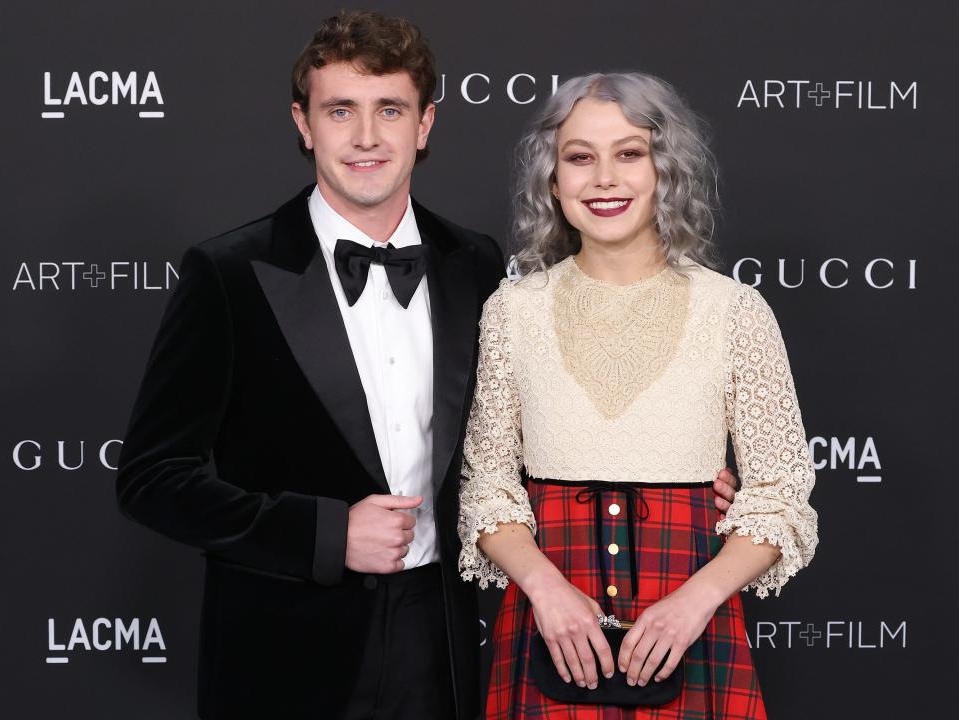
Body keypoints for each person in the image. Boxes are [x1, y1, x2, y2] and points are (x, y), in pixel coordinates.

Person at [116, 10, 741, 719]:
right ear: (303, 122)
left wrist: (682, 479)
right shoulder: (230, 273)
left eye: (390, 109)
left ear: (425, 124)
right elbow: (152, 479)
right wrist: (325, 534)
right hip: (282, 651)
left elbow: (511, 440)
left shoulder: (471, 265)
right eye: (340, 110)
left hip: (440, 642)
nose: (366, 137)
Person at [458, 72, 818, 720]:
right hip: (549, 633)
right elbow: (486, 485)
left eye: (629, 153)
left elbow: (779, 497)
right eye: (579, 157)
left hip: (697, 630)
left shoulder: (735, 311)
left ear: (666, 169)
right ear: (552, 178)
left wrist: (693, 602)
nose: (603, 178)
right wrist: (545, 589)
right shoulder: (512, 311)